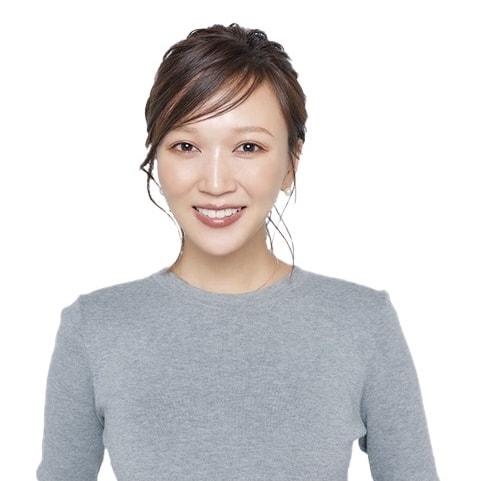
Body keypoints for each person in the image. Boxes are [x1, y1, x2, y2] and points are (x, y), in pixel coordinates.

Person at [37, 23, 439, 481]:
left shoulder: (362, 323)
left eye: (248, 147)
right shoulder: (94, 329)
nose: (215, 182)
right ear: (157, 158)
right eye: (186, 146)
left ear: (291, 162)